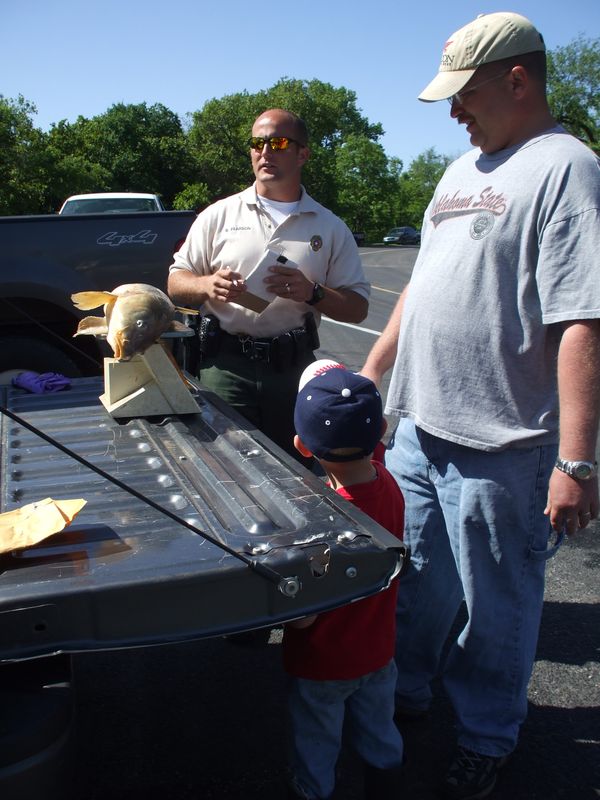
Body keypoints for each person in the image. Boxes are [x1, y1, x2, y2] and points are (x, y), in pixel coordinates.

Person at [361, 11, 600, 800]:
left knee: (498, 610)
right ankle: (408, 697)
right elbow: (420, 288)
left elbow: (581, 322)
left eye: (464, 95)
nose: (455, 111)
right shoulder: (460, 169)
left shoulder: (567, 167)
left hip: (507, 446)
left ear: (518, 80)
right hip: (421, 431)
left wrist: (575, 461)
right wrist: (374, 372)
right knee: (419, 582)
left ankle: (487, 736)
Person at [167, 109, 369, 464]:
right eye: (257, 143)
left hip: (291, 371)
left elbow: (358, 307)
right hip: (225, 367)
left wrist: (313, 292)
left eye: (277, 142)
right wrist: (206, 286)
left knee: (298, 474)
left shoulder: (330, 226)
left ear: (303, 153)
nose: (265, 152)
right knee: (225, 466)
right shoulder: (219, 215)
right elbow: (175, 281)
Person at [282, 359, 406, 800]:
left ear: (301, 445)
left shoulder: (319, 523)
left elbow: (302, 621)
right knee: (379, 724)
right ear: (382, 431)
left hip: (323, 663)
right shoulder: (389, 483)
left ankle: (314, 788)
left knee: (319, 734)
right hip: (378, 651)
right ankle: (386, 778)